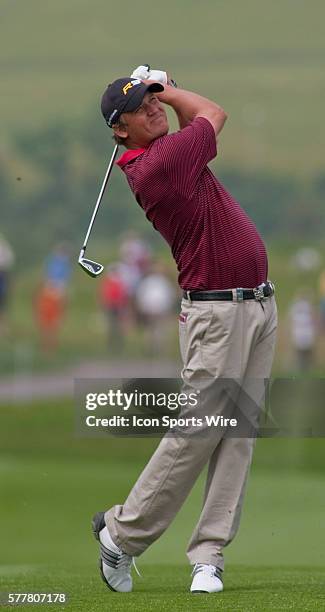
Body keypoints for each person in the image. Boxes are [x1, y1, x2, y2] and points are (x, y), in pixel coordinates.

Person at [91, 68, 277, 594]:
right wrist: (170, 89)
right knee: (198, 430)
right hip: (217, 316)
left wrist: (160, 95)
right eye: (141, 106)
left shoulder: (166, 150)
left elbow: (198, 121)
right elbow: (213, 114)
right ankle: (121, 536)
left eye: (153, 100)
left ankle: (208, 555)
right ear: (120, 130)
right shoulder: (159, 166)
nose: (153, 108)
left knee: (236, 437)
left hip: (258, 306)